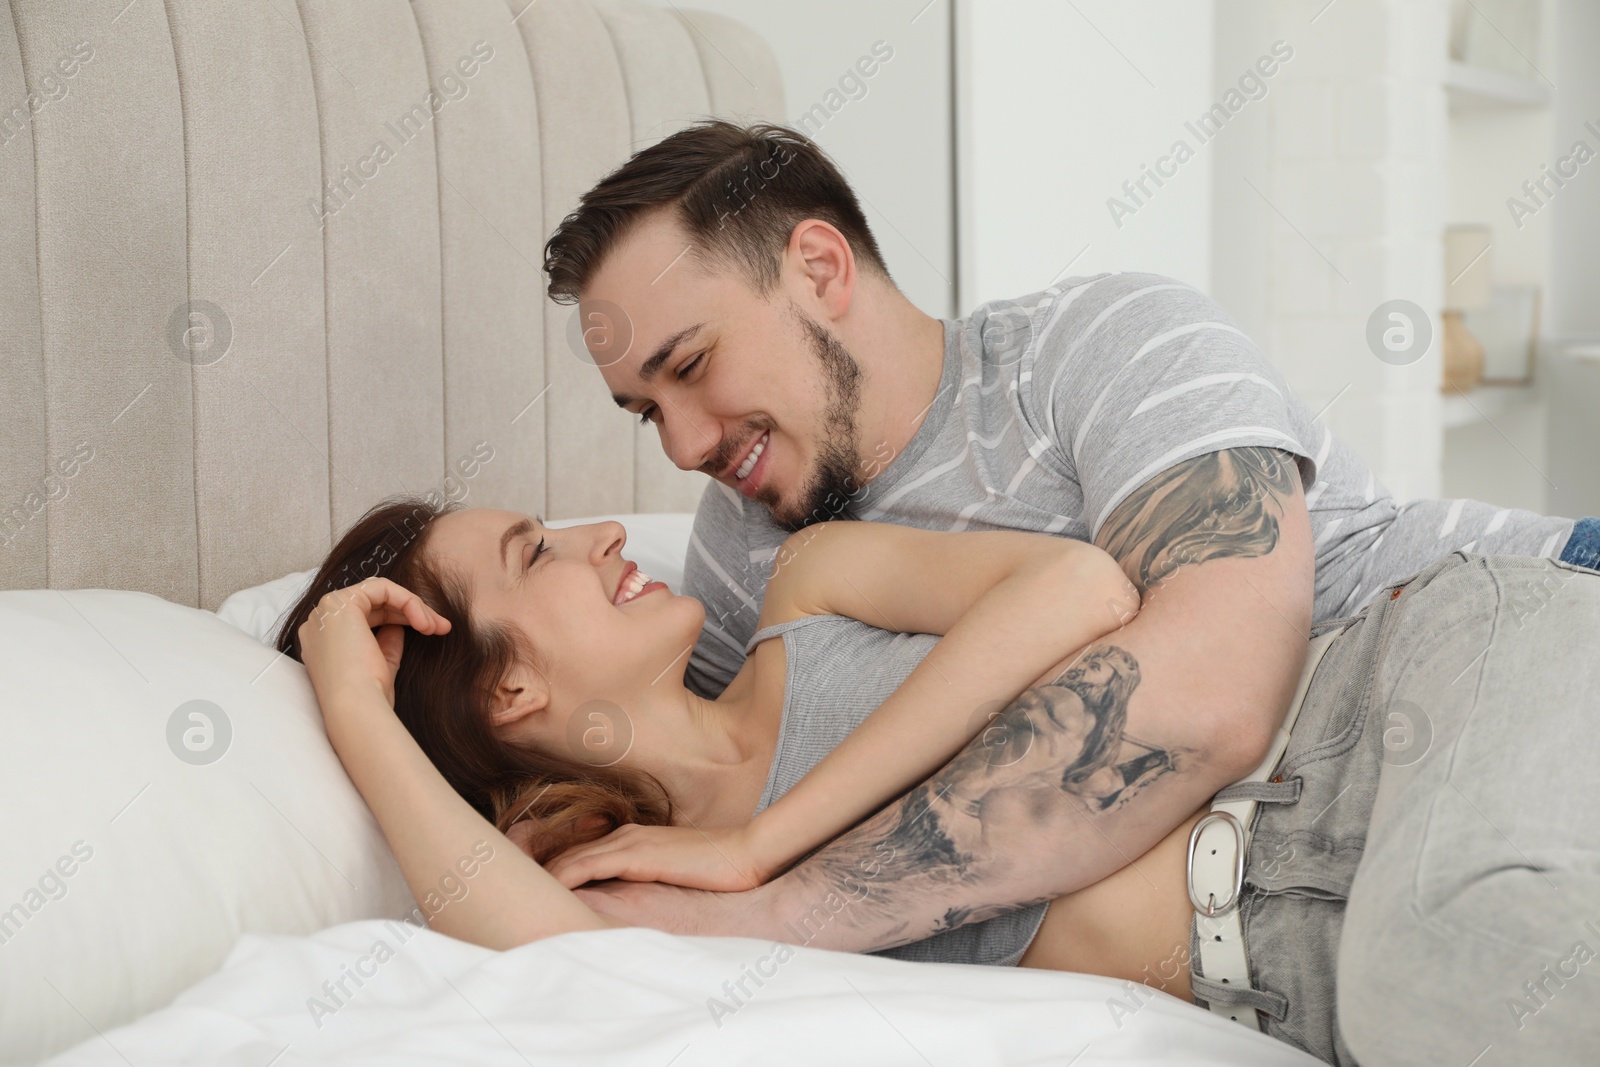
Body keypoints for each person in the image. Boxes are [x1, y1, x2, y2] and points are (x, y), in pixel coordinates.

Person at [281, 500, 1600, 1065]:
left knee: (1452, 972)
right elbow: (529, 946)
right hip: (1306, 964)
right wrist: (355, 708)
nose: (601, 534)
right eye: (537, 551)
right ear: (509, 691)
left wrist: (776, 844)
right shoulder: (632, 899)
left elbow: (1083, 587)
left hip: (1410, 702)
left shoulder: (814, 586)